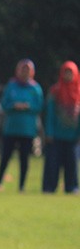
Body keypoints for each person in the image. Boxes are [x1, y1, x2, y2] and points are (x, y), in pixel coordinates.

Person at [0, 59, 43, 192]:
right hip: (10, 129)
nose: (25, 72)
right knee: (5, 157)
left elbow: (39, 106)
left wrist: (28, 106)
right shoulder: (11, 85)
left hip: (27, 130)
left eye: (28, 69)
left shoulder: (35, 88)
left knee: (24, 159)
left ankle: (22, 186)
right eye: (23, 69)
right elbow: (4, 104)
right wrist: (14, 105)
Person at [42, 60, 80, 194]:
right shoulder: (55, 91)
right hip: (56, 135)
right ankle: (49, 187)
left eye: (70, 72)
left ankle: (72, 187)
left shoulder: (79, 92)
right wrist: (49, 133)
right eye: (66, 72)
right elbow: (50, 114)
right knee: (52, 164)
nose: (68, 75)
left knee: (72, 164)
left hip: (73, 136)